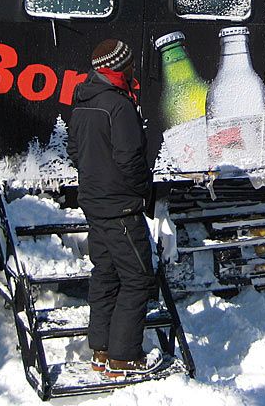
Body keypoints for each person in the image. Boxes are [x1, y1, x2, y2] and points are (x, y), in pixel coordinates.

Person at [67, 38, 160, 379]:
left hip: (94, 204)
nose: (133, 68)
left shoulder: (83, 102)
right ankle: (124, 356)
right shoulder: (118, 107)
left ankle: (101, 350)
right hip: (120, 207)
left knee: (105, 275)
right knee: (137, 278)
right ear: (119, 68)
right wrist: (141, 191)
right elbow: (129, 159)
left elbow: (75, 152)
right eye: (130, 63)